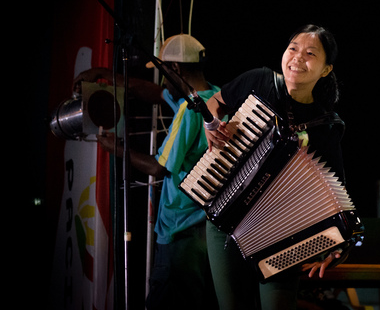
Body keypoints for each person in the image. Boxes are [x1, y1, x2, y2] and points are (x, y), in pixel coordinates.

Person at [202, 24, 348, 309]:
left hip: (282, 231)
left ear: (326, 69)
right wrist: (212, 126)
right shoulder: (259, 80)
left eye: (310, 53)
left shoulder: (326, 124)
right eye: (293, 48)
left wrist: (339, 243)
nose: (297, 57)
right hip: (226, 218)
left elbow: (336, 195)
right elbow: (215, 102)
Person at [73, 34, 219, 309]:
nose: (162, 82)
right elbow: (155, 93)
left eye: (164, 73)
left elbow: (158, 167)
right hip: (203, 229)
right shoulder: (214, 98)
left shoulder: (189, 110)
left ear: (175, 69)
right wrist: (105, 74)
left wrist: (118, 149)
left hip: (180, 233)